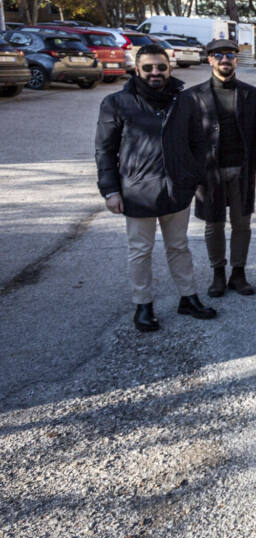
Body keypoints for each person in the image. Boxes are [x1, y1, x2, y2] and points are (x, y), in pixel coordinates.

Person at [96, 44, 214, 332]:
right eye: (148, 68)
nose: (155, 73)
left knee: (179, 247)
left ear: (169, 68)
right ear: (137, 70)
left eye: (160, 67)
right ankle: (143, 305)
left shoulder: (184, 100)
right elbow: (104, 150)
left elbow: (199, 142)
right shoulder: (117, 103)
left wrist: (192, 176)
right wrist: (111, 191)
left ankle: (188, 298)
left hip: (177, 189)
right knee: (140, 250)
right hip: (138, 192)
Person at [186, 38, 256, 298]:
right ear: (210, 59)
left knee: (242, 224)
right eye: (218, 55)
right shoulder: (192, 96)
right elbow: (186, 137)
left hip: (242, 170)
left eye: (230, 55)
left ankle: (238, 273)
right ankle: (218, 273)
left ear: (236, 60)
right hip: (209, 172)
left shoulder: (253, 95)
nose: (225, 60)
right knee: (214, 225)